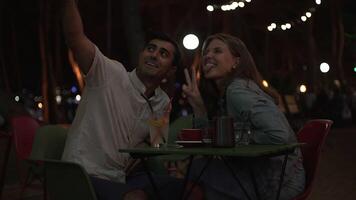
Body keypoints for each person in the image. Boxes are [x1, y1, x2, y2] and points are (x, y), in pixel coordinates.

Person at [60, 0, 184, 199]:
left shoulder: (162, 101)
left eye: (163, 54)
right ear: (141, 54)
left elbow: (156, 144)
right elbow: (75, 38)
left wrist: (131, 154)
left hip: (120, 177)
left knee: (189, 187)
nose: (154, 55)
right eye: (150, 49)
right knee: (136, 197)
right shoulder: (109, 74)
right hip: (81, 173)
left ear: (170, 71)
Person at [182, 33, 305, 200]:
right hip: (264, 175)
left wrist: (236, 136)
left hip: (277, 182)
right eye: (206, 52)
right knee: (203, 175)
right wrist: (198, 106)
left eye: (217, 51)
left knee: (196, 169)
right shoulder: (228, 92)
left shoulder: (237, 90)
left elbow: (278, 135)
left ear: (236, 62)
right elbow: (209, 142)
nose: (208, 56)